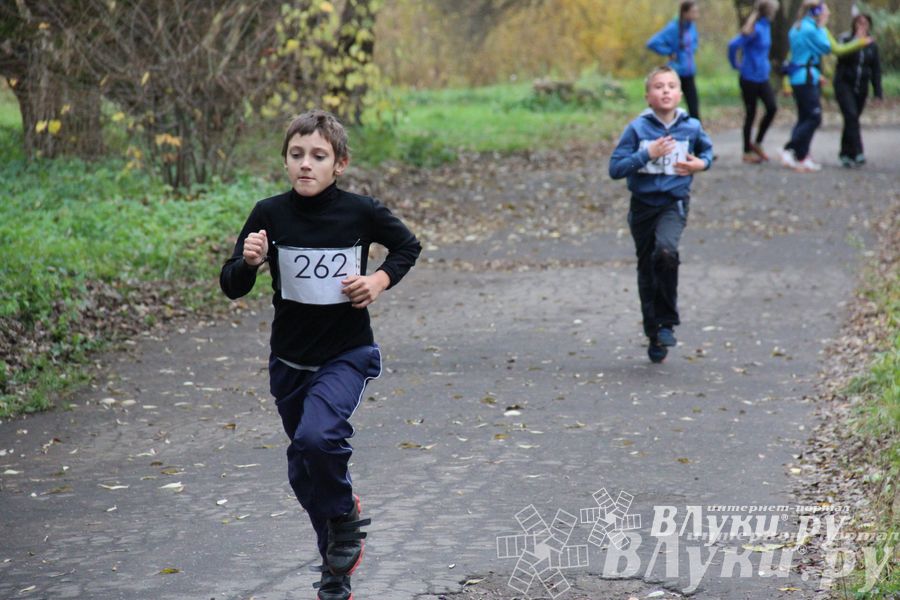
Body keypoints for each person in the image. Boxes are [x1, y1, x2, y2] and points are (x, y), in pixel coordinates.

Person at [219, 110, 421, 600]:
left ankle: (346, 518)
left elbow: (406, 247)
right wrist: (247, 263)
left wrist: (376, 280)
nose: (305, 165)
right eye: (296, 155)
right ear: (285, 161)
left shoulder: (360, 212)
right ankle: (335, 571)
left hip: (346, 355)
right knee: (303, 466)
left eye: (318, 156)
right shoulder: (270, 214)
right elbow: (230, 285)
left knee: (316, 438)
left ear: (340, 164)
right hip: (289, 362)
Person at [609, 66, 713, 363]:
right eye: (658, 86)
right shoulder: (637, 129)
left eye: (671, 86)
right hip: (643, 207)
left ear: (680, 94)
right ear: (648, 96)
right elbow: (615, 169)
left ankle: (667, 323)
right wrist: (647, 154)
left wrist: (700, 165)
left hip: (673, 203)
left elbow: (707, 153)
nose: (665, 91)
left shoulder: (690, 127)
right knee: (647, 267)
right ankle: (653, 332)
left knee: (666, 252)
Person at [780, 1, 871, 172]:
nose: (828, 15)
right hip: (805, 78)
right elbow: (834, 49)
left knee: (804, 117)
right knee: (814, 117)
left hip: (801, 77)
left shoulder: (797, 27)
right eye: (826, 12)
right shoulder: (813, 29)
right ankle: (791, 149)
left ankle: (802, 155)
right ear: (817, 12)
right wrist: (860, 42)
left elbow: (795, 56)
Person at [728, 0, 779, 164]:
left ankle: (757, 143)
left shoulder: (766, 26)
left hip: (763, 77)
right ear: (768, 12)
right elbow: (733, 45)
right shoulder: (755, 29)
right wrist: (735, 64)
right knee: (751, 113)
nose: (775, 13)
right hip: (749, 77)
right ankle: (746, 151)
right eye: (774, 10)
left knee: (772, 107)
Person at [834, 13, 882, 167]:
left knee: (851, 120)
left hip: (861, 87)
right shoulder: (846, 39)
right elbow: (841, 57)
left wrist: (878, 93)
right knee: (851, 116)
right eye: (859, 23)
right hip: (844, 85)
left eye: (865, 23)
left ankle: (845, 154)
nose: (862, 26)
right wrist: (856, 42)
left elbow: (876, 69)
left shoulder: (872, 45)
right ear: (854, 24)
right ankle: (858, 151)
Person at [647, 1, 702, 120]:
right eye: (693, 12)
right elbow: (652, 43)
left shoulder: (691, 26)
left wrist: (692, 50)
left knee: (694, 107)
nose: (696, 15)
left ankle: (697, 136)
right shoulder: (673, 27)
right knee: (669, 106)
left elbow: (694, 42)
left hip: (689, 72)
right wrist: (669, 52)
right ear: (685, 13)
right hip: (676, 72)